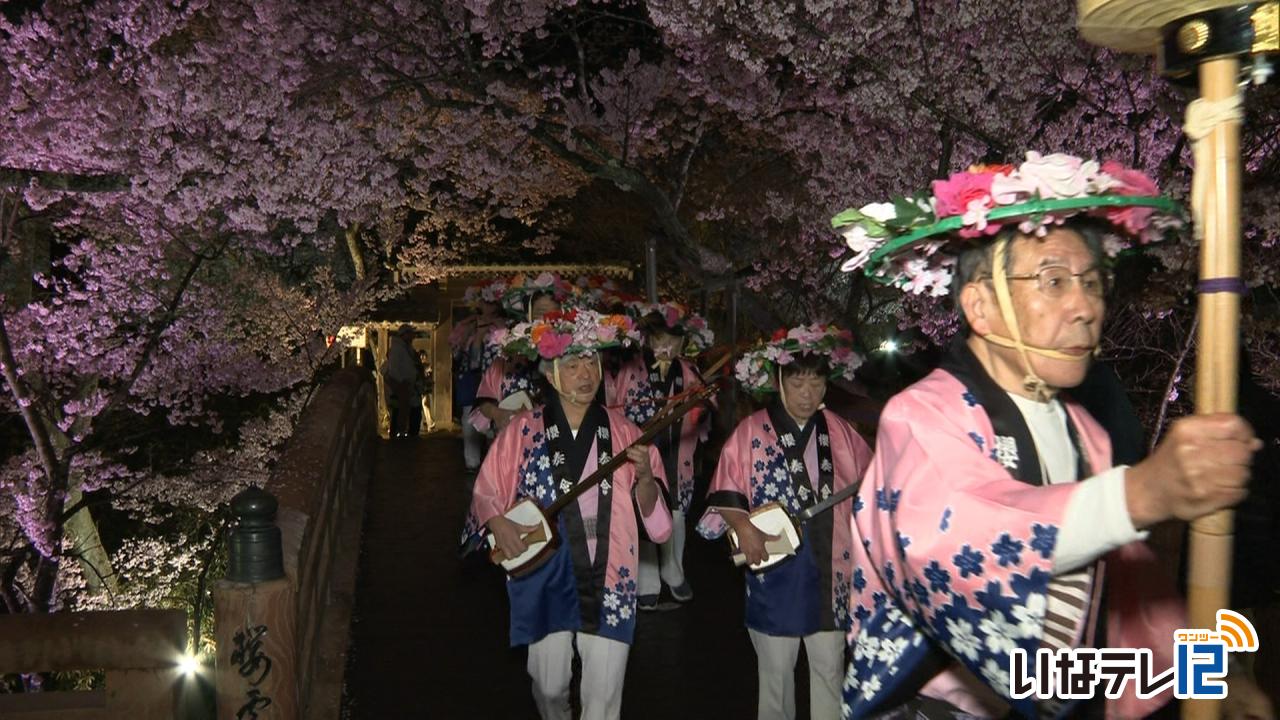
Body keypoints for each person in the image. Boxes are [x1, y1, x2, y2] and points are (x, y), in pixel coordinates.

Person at [833, 153, 1272, 719]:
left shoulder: (1086, 431)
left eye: (1093, 282)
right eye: (1054, 281)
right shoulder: (921, 416)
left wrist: (1210, 676)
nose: (1086, 306)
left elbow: (1131, 593)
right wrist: (1139, 494)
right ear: (981, 305)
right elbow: (956, 538)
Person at [463, 310, 670, 720]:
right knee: (549, 685)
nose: (584, 374)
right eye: (572, 365)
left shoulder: (628, 433)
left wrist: (645, 477)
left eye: (591, 363)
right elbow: (487, 492)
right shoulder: (522, 431)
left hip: (612, 574)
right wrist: (498, 521)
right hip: (545, 572)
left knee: (605, 696)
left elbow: (659, 527)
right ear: (551, 372)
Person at [696, 323, 871, 720]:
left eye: (816, 383)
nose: (807, 394)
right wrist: (743, 529)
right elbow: (727, 490)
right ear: (778, 382)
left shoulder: (843, 434)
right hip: (774, 569)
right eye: (797, 383)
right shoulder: (750, 432)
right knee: (776, 674)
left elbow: (872, 487)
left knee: (830, 669)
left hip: (831, 571)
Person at [611, 302, 715, 608]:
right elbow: (616, 410)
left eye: (672, 341)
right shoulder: (631, 370)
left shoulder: (690, 371)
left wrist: (700, 409)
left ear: (683, 342)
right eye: (658, 341)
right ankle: (646, 578)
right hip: (642, 452)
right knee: (643, 508)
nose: (665, 347)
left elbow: (708, 408)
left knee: (677, 512)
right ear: (647, 340)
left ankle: (673, 570)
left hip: (678, 450)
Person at [470, 273, 574, 435]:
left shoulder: (573, 353)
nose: (546, 320)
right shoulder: (508, 352)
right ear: (529, 315)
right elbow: (484, 398)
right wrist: (498, 414)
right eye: (540, 313)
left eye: (553, 314)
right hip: (514, 438)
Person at [452, 293, 507, 471]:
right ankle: (472, 464)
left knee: (497, 423)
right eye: (484, 301)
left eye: (491, 301)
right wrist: (476, 335)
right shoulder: (469, 325)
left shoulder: (505, 326)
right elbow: (460, 355)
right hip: (472, 383)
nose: (487, 305)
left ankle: (496, 467)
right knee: (470, 425)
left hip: (498, 380)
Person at [383, 324, 421, 439]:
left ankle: (404, 433)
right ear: (404, 335)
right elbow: (395, 369)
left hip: (408, 386)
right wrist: (401, 383)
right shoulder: (398, 349)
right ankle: (401, 434)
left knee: (406, 410)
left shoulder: (406, 348)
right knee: (402, 410)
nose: (413, 336)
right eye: (410, 333)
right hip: (402, 386)